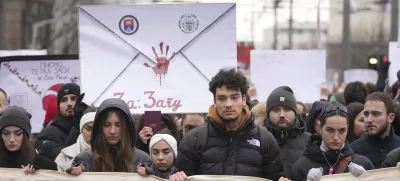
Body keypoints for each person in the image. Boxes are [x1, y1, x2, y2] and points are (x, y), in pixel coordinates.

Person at [169, 69, 283, 181]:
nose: (228, 104)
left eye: (234, 97)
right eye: (222, 98)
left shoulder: (265, 139)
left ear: (243, 99)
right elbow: (181, 175)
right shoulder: (194, 139)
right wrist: (176, 178)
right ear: (214, 101)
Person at [290, 103, 374, 181]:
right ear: (320, 128)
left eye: (342, 131)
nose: (336, 137)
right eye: (330, 130)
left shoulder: (363, 163)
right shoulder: (301, 166)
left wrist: (365, 177)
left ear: (347, 130)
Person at [68, 98, 150, 175]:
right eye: (107, 125)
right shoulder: (84, 160)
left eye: (118, 125)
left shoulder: (142, 160)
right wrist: (75, 174)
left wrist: (150, 174)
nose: (112, 131)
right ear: (99, 128)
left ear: (127, 127)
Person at [264, 87, 310, 179]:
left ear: (295, 112)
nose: (282, 115)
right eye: (276, 110)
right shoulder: (259, 138)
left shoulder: (310, 141)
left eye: (287, 109)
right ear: (268, 113)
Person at [36, 83, 88, 161]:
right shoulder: (47, 134)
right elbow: (64, 160)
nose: (69, 104)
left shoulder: (93, 127)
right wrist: (77, 124)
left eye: (74, 99)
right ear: (58, 105)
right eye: (64, 100)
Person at [0, 106, 57, 174]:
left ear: (25, 135)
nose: (11, 139)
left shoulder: (44, 165)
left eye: (18, 133)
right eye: (6, 133)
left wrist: (38, 175)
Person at [351, 92, 400, 168]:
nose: (369, 120)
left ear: (390, 118)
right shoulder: (353, 150)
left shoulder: (398, 147)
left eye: (376, 114)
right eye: (366, 114)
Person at [55, 107, 96, 171]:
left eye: (97, 129)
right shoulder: (65, 156)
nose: (93, 134)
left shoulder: (115, 155)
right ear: (81, 130)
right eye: (88, 129)